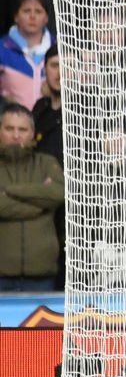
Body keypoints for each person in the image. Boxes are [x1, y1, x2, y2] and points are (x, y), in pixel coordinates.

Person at [0, 102, 65, 291]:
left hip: (42, 276)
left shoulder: (46, 163)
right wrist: (40, 203)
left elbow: (59, 194)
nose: (16, 135)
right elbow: (48, 197)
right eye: (9, 128)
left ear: (32, 132)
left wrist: (10, 191)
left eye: (22, 129)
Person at [0, 0, 53, 108]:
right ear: (16, 17)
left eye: (38, 11)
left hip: (49, 120)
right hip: (11, 120)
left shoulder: (58, 48)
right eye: (26, 11)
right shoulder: (2, 48)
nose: (32, 16)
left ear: (46, 18)